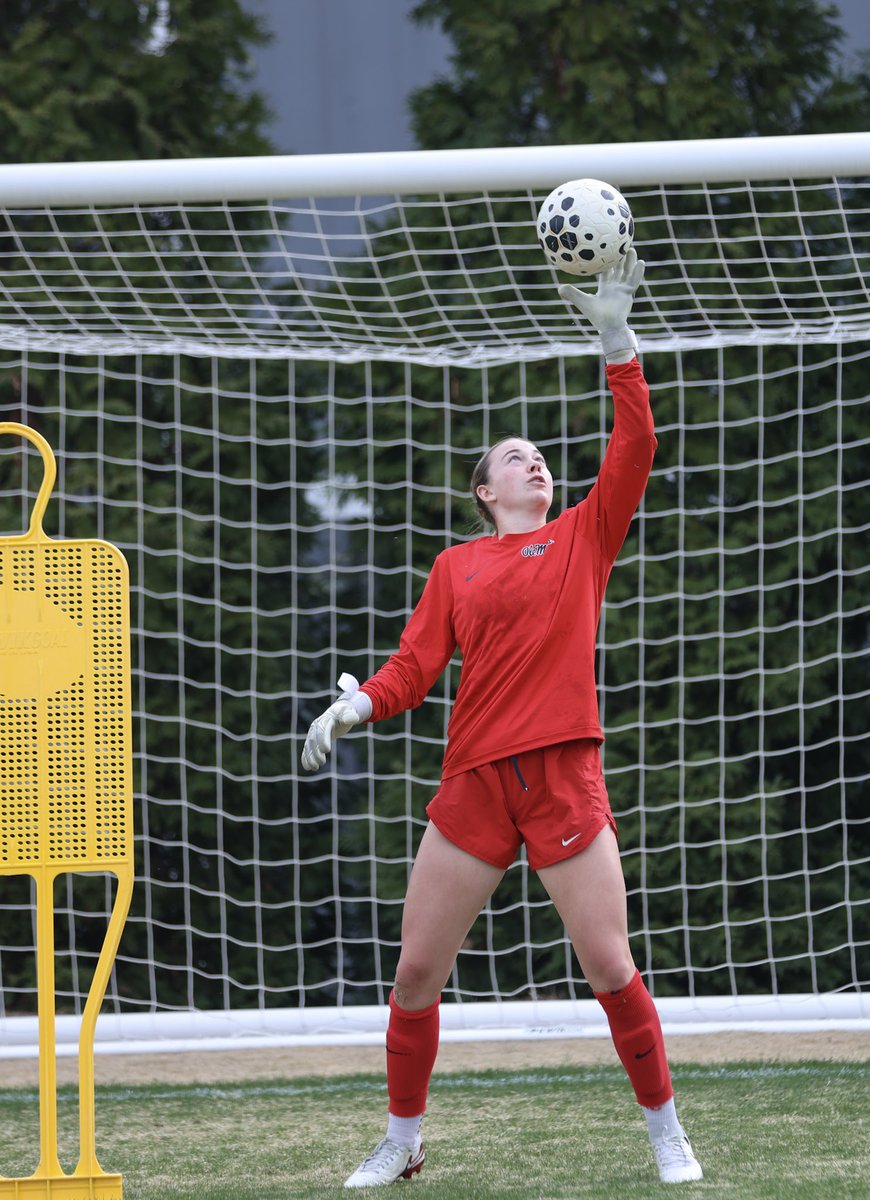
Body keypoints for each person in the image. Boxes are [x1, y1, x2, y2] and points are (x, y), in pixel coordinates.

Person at [301, 250, 703, 1189]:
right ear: (486, 492)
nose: (535, 460)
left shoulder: (585, 536)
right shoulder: (457, 567)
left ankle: (666, 1134)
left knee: (611, 967)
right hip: (476, 782)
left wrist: (618, 339)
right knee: (412, 977)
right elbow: (412, 667)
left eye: (540, 456)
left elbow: (634, 447)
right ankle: (402, 1143)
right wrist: (356, 704)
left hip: (563, 773)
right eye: (513, 457)